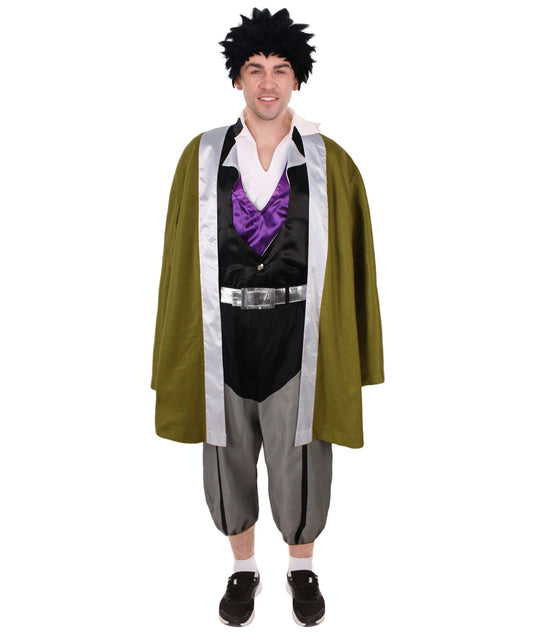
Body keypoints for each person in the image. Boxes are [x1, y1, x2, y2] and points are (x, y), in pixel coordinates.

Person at [151, 7, 384, 628]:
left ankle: (301, 567)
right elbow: (178, 261)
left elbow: (354, 260)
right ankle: (243, 567)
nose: (268, 82)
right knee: (226, 456)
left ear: (297, 78)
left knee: (300, 457)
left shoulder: (330, 162)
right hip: (222, 332)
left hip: (298, 334)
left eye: (280, 69)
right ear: (238, 78)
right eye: (254, 69)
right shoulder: (202, 157)